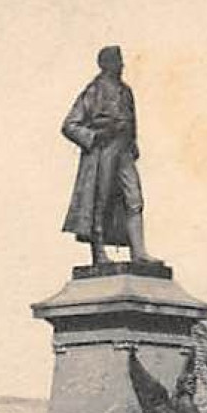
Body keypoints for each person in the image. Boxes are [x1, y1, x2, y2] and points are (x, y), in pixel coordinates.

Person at [61, 44, 160, 266]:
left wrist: (133, 143)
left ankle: (139, 252)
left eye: (121, 61)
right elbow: (70, 125)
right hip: (102, 150)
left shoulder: (126, 91)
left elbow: (131, 121)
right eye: (116, 61)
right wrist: (94, 137)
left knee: (134, 199)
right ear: (105, 64)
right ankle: (99, 254)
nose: (121, 65)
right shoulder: (93, 91)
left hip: (123, 149)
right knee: (100, 200)